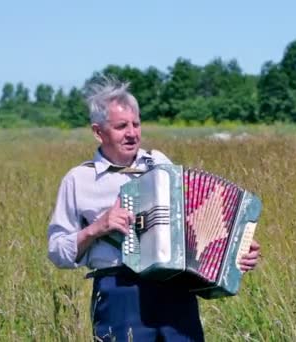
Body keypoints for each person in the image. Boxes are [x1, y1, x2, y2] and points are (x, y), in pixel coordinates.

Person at [47, 77, 261, 341]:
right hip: (118, 293)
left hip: (174, 291)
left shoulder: (159, 164)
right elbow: (57, 251)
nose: (132, 133)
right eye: (121, 126)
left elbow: (191, 220)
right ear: (98, 131)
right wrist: (96, 228)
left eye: (136, 124)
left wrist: (235, 248)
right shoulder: (78, 180)